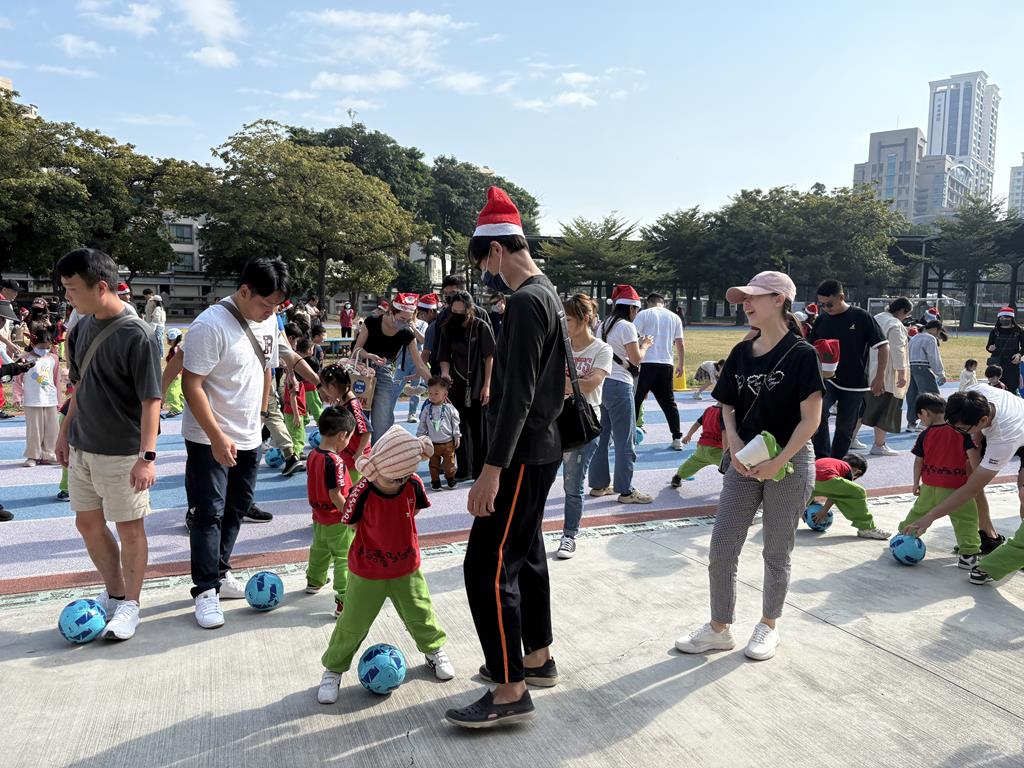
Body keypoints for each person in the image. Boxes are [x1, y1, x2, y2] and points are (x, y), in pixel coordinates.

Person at [446, 187, 564, 728]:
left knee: (487, 567)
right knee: (527, 553)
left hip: (519, 455)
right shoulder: (549, 293)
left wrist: (489, 471)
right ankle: (536, 656)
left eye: (483, 264)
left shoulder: (522, 302)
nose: (485, 276)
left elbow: (516, 395)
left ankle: (509, 686)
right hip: (542, 449)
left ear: (495, 250)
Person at [675, 271, 823, 662]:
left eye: (753, 297)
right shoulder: (741, 352)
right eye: (744, 298)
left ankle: (768, 625)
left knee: (776, 550)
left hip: (789, 461)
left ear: (779, 300)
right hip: (743, 460)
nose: (746, 304)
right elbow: (727, 403)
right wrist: (736, 444)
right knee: (722, 545)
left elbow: (811, 420)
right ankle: (719, 627)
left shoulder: (802, 354)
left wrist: (779, 461)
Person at [55, 248, 161, 640]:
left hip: (122, 453)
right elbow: (79, 387)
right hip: (82, 446)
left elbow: (152, 400)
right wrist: (64, 433)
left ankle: (131, 604)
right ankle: (115, 593)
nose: (68, 296)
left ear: (101, 287)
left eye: (72, 288)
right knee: (87, 523)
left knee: (130, 528)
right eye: (65, 288)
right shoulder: (81, 328)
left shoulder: (139, 335)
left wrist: (146, 457)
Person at [182, 257, 289, 629]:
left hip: (248, 433)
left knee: (238, 505)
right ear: (244, 291)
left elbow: (266, 368)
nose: (270, 312)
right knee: (208, 512)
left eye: (276, 306)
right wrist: (216, 437)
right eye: (265, 304)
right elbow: (191, 384)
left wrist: (261, 415)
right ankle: (204, 590)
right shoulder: (209, 325)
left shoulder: (268, 320)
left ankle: (220, 570)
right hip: (208, 437)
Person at [317, 424, 455, 704]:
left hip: (406, 568)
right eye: (393, 479)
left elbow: (415, 508)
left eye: (404, 477)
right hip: (368, 572)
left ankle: (433, 650)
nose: (399, 482)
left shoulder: (412, 483)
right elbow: (352, 523)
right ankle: (334, 669)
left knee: (421, 613)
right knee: (352, 624)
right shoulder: (362, 490)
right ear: (377, 468)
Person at [903, 387, 1024, 585]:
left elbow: (971, 489)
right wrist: (976, 437)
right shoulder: (973, 392)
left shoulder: (1004, 439)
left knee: (1022, 491)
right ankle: (988, 534)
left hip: (1018, 433)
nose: (954, 432)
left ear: (983, 421)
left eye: (960, 429)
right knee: (970, 472)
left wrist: (929, 517)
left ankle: (1019, 548)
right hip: (993, 427)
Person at [896, 393, 982, 568]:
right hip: (957, 487)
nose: (921, 420)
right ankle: (968, 555)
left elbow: (918, 461)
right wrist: (976, 480)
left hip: (929, 486)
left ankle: (902, 538)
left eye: (920, 417)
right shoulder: (961, 432)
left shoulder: (925, 434)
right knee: (966, 519)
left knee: (918, 513)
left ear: (925, 413)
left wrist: (915, 483)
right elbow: (974, 458)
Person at [557, 294, 612, 559]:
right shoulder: (558, 345)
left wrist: (564, 382)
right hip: (553, 421)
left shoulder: (602, 350)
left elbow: (590, 386)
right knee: (539, 481)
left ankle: (569, 535)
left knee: (573, 485)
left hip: (582, 425)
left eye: (568, 319)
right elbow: (541, 380)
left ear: (585, 318)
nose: (563, 324)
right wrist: (577, 382)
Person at [808, 280, 888, 459]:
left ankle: (837, 462)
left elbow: (883, 346)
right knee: (817, 415)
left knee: (845, 428)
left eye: (829, 304)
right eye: (822, 305)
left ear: (841, 297)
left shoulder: (861, 316)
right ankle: (822, 458)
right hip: (827, 379)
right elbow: (810, 349)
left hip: (855, 382)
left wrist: (879, 377)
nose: (826, 308)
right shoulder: (821, 320)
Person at [588, 284, 654, 505]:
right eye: (637, 310)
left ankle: (598, 485)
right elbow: (636, 359)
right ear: (632, 308)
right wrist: (645, 345)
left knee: (602, 437)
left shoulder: (603, 325)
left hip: (602, 384)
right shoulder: (626, 327)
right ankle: (626, 490)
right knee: (625, 439)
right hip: (620, 385)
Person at [352, 293, 430, 443]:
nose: (405, 323)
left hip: (384, 372)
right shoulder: (372, 322)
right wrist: (369, 355)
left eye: (409, 320)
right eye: (402, 319)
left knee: (382, 419)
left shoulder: (406, 333)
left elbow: (420, 364)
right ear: (391, 312)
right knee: (358, 418)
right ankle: (356, 453)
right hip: (362, 370)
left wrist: (433, 384)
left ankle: (379, 452)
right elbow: (356, 350)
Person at [437, 290, 496, 480]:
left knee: (479, 429)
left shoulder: (480, 326)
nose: (458, 315)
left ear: (470, 309)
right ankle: (464, 468)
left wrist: (487, 385)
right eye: (454, 311)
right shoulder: (447, 327)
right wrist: (445, 373)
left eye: (461, 312)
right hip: (456, 383)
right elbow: (444, 356)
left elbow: (489, 357)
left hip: (478, 382)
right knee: (458, 427)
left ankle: (480, 470)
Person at [305, 406, 357, 617]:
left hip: (318, 516)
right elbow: (336, 494)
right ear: (342, 435)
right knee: (343, 557)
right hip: (337, 519)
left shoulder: (312, 455)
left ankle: (314, 580)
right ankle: (344, 599)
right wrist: (350, 516)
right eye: (349, 437)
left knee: (319, 549)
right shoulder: (335, 461)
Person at [633, 292, 686, 450]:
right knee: (669, 403)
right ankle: (677, 438)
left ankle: (628, 437)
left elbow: (632, 336)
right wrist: (681, 364)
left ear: (648, 303)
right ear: (664, 303)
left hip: (646, 363)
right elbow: (680, 343)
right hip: (666, 364)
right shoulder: (674, 317)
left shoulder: (643, 314)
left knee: (635, 401)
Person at [862, 297, 911, 457]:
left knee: (861, 410)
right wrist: (902, 372)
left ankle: (851, 439)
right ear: (902, 311)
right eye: (906, 315)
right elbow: (898, 350)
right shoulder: (895, 324)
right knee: (885, 410)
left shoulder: (876, 318)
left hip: (868, 369)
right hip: (887, 373)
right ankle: (879, 444)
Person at [810, 453, 889, 538]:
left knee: (809, 493)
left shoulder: (833, 463)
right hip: (827, 479)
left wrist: (803, 508)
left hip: (809, 478)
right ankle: (866, 527)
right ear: (857, 472)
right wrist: (823, 512)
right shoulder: (847, 469)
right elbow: (835, 494)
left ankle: (798, 514)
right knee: (859, 491)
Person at [317, 363, 372, 483]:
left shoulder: (353, 405)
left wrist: (359, 452)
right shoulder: (342, 400)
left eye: (325, 389)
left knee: (353, 488)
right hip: (348, 453)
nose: (325, 393)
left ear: (331, 387)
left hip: (355, 457)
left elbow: (367, 431)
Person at [16, 327, 61, 467]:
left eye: (47, 347)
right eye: (41, 347)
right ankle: (33, 455)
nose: (45, 350)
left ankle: (49, 454)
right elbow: (18, 380)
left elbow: (56, 380)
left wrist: (59, 401)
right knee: (34, 430)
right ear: (33, 343)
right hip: (32, 400)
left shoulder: (54, 359)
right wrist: (17, 396)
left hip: (50, 399)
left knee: (52, 430)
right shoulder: (25, 358)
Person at [417, 376, 461, 490]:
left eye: (436, 393)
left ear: (445, 394)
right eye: (430, 393)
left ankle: (450, 479)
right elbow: (422, 424)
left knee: (449, 464)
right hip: (432, 444)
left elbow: (455, 423)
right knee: (433, 464)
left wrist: (457, 436)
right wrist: (420, 437)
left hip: (448, 443)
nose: (432, 396)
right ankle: (435, 481)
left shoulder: (450, 408)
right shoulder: (427, 409)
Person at [905, 319, 947, 432]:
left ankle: (911, 423)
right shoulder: (930, 338)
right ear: (935, 329)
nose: (938, 335)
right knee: (931, 396)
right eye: (939, 332)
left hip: (910, 367)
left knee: (912, 396)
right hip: (922, 367)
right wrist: (940, 373)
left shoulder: (914, 338)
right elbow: (934, 357)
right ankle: (924, 423)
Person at [393, 301, 429, 425]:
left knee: (415, 389)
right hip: (402, 361)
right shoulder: (400, 324)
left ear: (415, 312)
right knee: (395, 388)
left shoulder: (422, 324)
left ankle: (412, 413)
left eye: (411, 312)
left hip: (417, 361)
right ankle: (388, 412)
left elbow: (423, 340)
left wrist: (413, 327)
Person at [670, 403, 724, 487]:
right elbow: (726, 432)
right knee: (731, 467)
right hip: (718, 449)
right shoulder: (726, 413)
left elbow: (697, 424)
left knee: (692, 463)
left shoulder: (709, 410)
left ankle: (677, 477)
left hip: (702, 446)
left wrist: (688, 436)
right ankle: (738, 484)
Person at [986, 307, 1024, 393]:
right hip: (997, 363)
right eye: (1002, 317)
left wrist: (1019, 355)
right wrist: (990, 348)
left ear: (1011, 318)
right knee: (996, 388)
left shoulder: (1019, 331)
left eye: (1007, 317)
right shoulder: (994, 331)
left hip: (1012, 363)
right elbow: (988, 346)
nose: (1004, 319)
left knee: (1012, 387)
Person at [161, 328, 185, 418]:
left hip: (176, 374)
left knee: (171, 391)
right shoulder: (177, 348)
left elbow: (176, 363)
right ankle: (181, 406)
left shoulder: (174, 350)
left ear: (173, 338)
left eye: (168, 338)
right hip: (179, 373)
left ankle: (176, 409)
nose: (167, 339)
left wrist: (175, 374)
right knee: (179, 391)